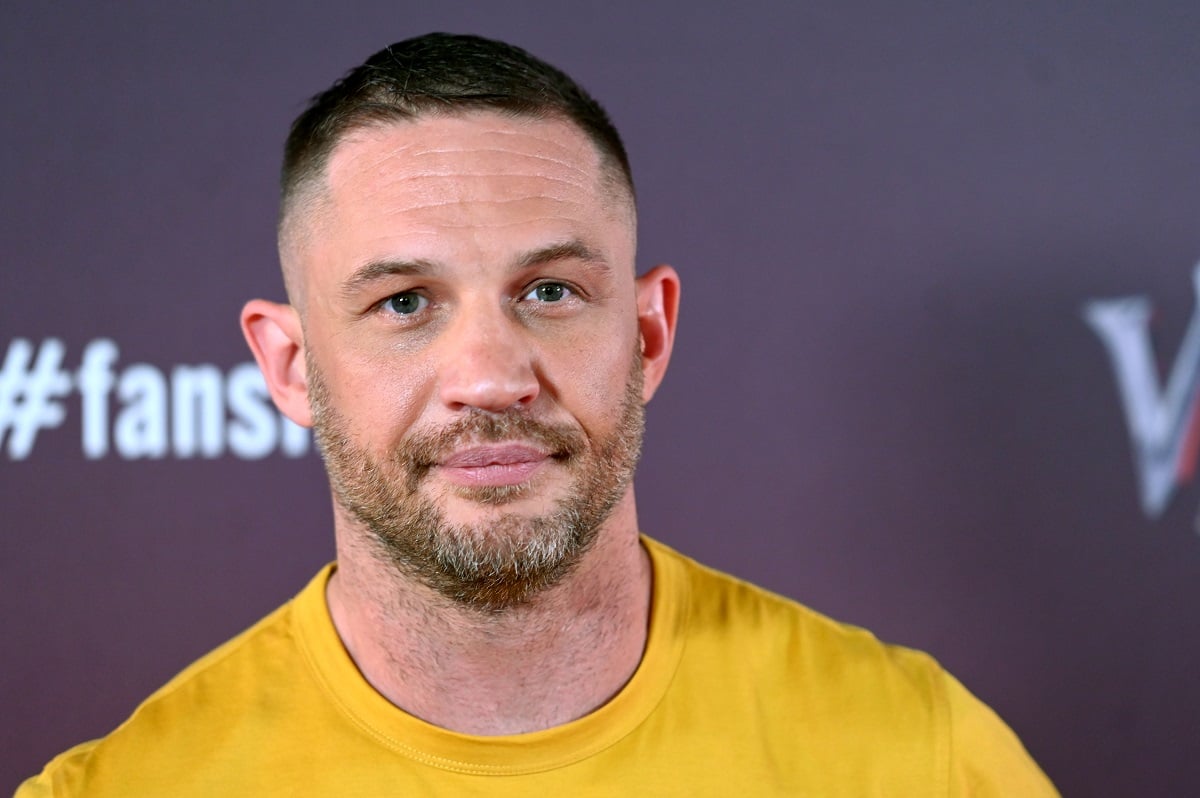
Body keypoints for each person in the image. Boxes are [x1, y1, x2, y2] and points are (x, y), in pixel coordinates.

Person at [18, 33, 1057, 796]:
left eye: (550, 291)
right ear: (290, 367)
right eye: (404, 304)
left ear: (647, 334)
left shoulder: (917, 756)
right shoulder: (125, 789)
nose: (490, 375)